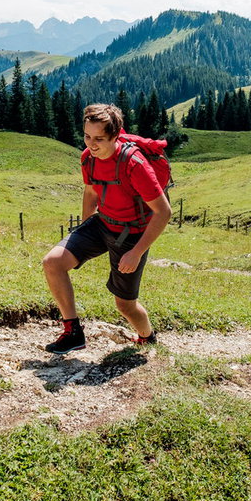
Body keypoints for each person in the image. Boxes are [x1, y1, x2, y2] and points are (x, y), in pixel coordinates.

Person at [40, 103, 171, 353]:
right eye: (87, 136)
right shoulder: (88, 158)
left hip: (131, 236)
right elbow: (90, 192)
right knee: (53, 262)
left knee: (125, 305)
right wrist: (82, 232)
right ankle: (73, 332)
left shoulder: (134, 164)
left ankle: (147, 336)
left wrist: (137, 252)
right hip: (101, 224)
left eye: (99, 138)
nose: (91, 144)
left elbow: (163, 212)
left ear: (116, 135)